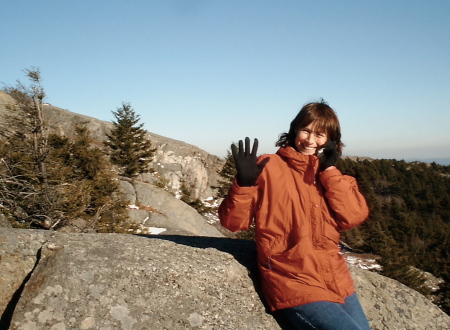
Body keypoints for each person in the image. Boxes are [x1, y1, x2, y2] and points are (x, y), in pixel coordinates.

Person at [218, 100, 371, 330]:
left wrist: (329, 171)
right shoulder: (268, 167)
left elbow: (353, 216)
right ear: (294, 130)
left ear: (331, 140)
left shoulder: (333, 177)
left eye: (320, 134)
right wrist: (244, 184)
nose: (310, 140)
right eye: (306, 131)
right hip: (292, 280)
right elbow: (233, 223)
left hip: (336, 280)